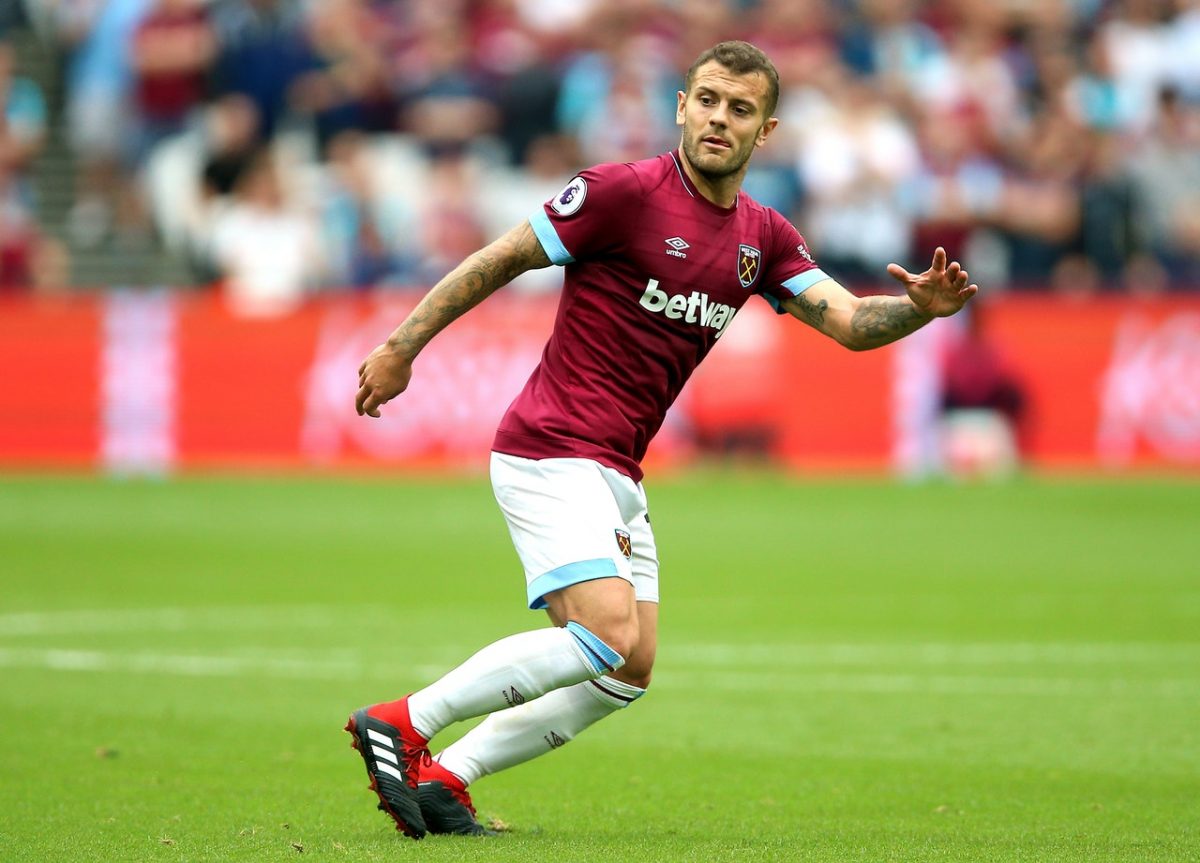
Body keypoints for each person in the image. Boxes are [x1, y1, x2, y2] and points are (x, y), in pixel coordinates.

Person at [347, 40, 978, 839]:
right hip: (551, 445)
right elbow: (502, 258)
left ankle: (449, 776)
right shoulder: (622, 193)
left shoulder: (764, 236)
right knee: (605, 634)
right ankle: (403, 721)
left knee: (629, 667)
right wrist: (402, 347)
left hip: (617, 467)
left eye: (740, 109)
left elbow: (850, 322)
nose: (719, 118)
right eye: (707, 100)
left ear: (765, 130)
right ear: (681, 106)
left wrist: (919, 309)